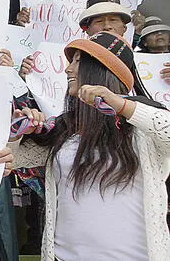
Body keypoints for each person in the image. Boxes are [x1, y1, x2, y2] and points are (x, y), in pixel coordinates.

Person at [10, 31, 170, 260]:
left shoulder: (144, 128)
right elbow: (14, 160)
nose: (68, 69)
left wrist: (122, 106)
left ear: (101, 69)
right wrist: (18, 131)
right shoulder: (64, 130)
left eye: (77, 61)